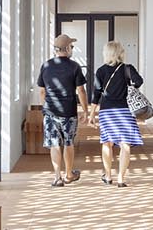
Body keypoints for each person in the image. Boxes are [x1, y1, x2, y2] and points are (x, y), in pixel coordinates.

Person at [87, 40, 145, 187]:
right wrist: (129, 86)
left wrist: (92, 115)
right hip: (125, 111)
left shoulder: (100, 71)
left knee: (107, 143)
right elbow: (139, 81)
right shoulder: (127, 68)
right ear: (120, 53)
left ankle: (107, 176)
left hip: (106, 112)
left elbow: (96, 94)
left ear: (106, 53)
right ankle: (121, 178)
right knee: (125, 145)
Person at [35, 34, 88, 187]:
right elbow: (81, 91)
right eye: (71, 46)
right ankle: (69, 174)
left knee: (54, 144)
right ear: (66, 49)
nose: (72, 49)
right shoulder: (74, 66)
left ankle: (57, 177)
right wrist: (85, 111)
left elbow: (42, 91)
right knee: (69, 142)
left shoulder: (46, 66)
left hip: (50, 112)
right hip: (68, 112)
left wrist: (46, 107)